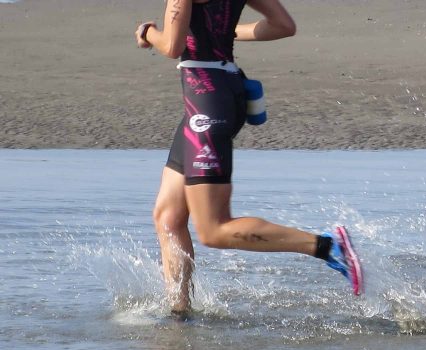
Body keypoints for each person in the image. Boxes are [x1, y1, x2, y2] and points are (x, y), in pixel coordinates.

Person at [134, 0, 363, 317]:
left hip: (207, 105)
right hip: (224, 94)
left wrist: (148, 32)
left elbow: (173, 46)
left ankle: (327, 247)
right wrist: (225, 33)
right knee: (168, 217)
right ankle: (179, 311)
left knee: (213, 230)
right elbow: (283, 25)